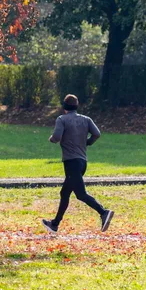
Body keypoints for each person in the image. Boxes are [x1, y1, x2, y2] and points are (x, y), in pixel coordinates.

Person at [41, 94, 114, 233]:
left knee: (80, 194)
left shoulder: (62, 119)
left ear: (64, 107)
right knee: (65, 193)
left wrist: (51, 139)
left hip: (71, 163)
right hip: (82, 162)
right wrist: (87, 142)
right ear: (77, 106)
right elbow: (97, 134)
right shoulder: (86, 119)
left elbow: (56, 137)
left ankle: (103, 212)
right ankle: (55, 224)